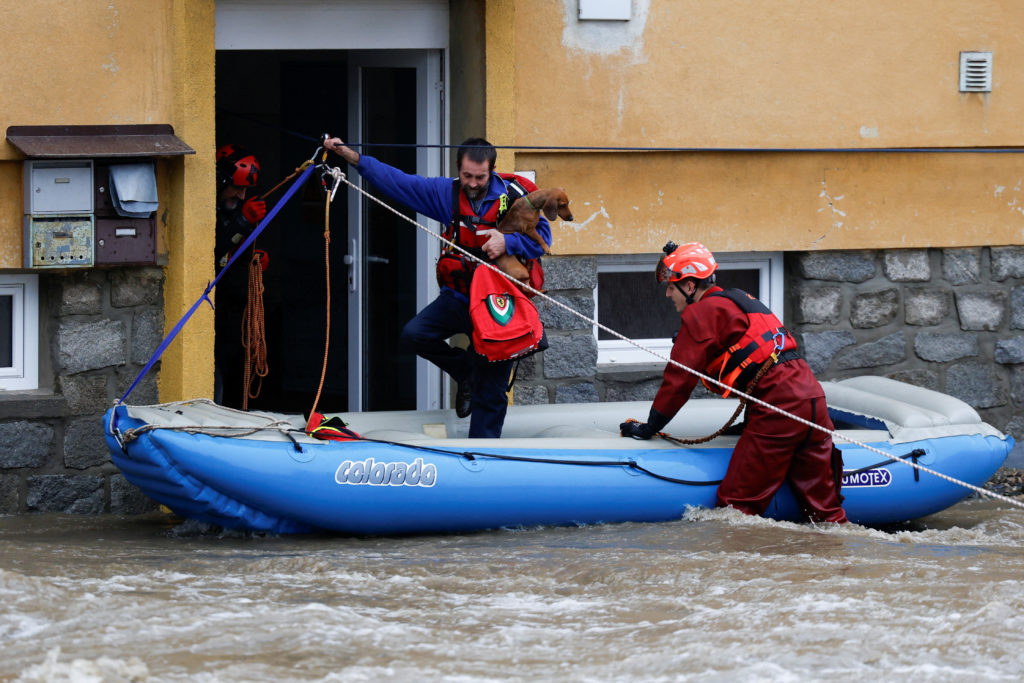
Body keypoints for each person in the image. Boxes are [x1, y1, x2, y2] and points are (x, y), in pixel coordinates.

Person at [323, 135, 551, 438]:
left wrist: (507, 240)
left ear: (492, 171)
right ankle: (466, 372)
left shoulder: (517, 194)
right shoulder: (446, 194)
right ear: (458, 168)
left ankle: (480, 457)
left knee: (492, 391)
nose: (472, 183)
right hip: (461, 297)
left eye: (479, 177)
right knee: (415, 334)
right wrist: (351, 157)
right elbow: (398, 182)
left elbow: (544, 240)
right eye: (466, 175)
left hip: (501, 304)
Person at [620, 241, 847, 524]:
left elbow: (679, 378)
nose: (667, 293)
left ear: (690, 286)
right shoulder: (739, 300)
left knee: (735, 512)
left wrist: (650, 426)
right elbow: (769, 367)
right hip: (813, 400)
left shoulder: (703, 314)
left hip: (779, 409)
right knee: (827, 514)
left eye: (671, 286)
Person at [213, 144, 268, 407]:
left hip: (238, 311)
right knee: (217, 373)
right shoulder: (207, 209)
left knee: (237, 371)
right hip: (215, 310)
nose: (242, 195)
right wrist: (242, 223)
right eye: (237, 187)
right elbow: (211, 252)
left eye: (246, 190)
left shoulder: (238, 210)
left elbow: (238, 252)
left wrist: (257, 261)